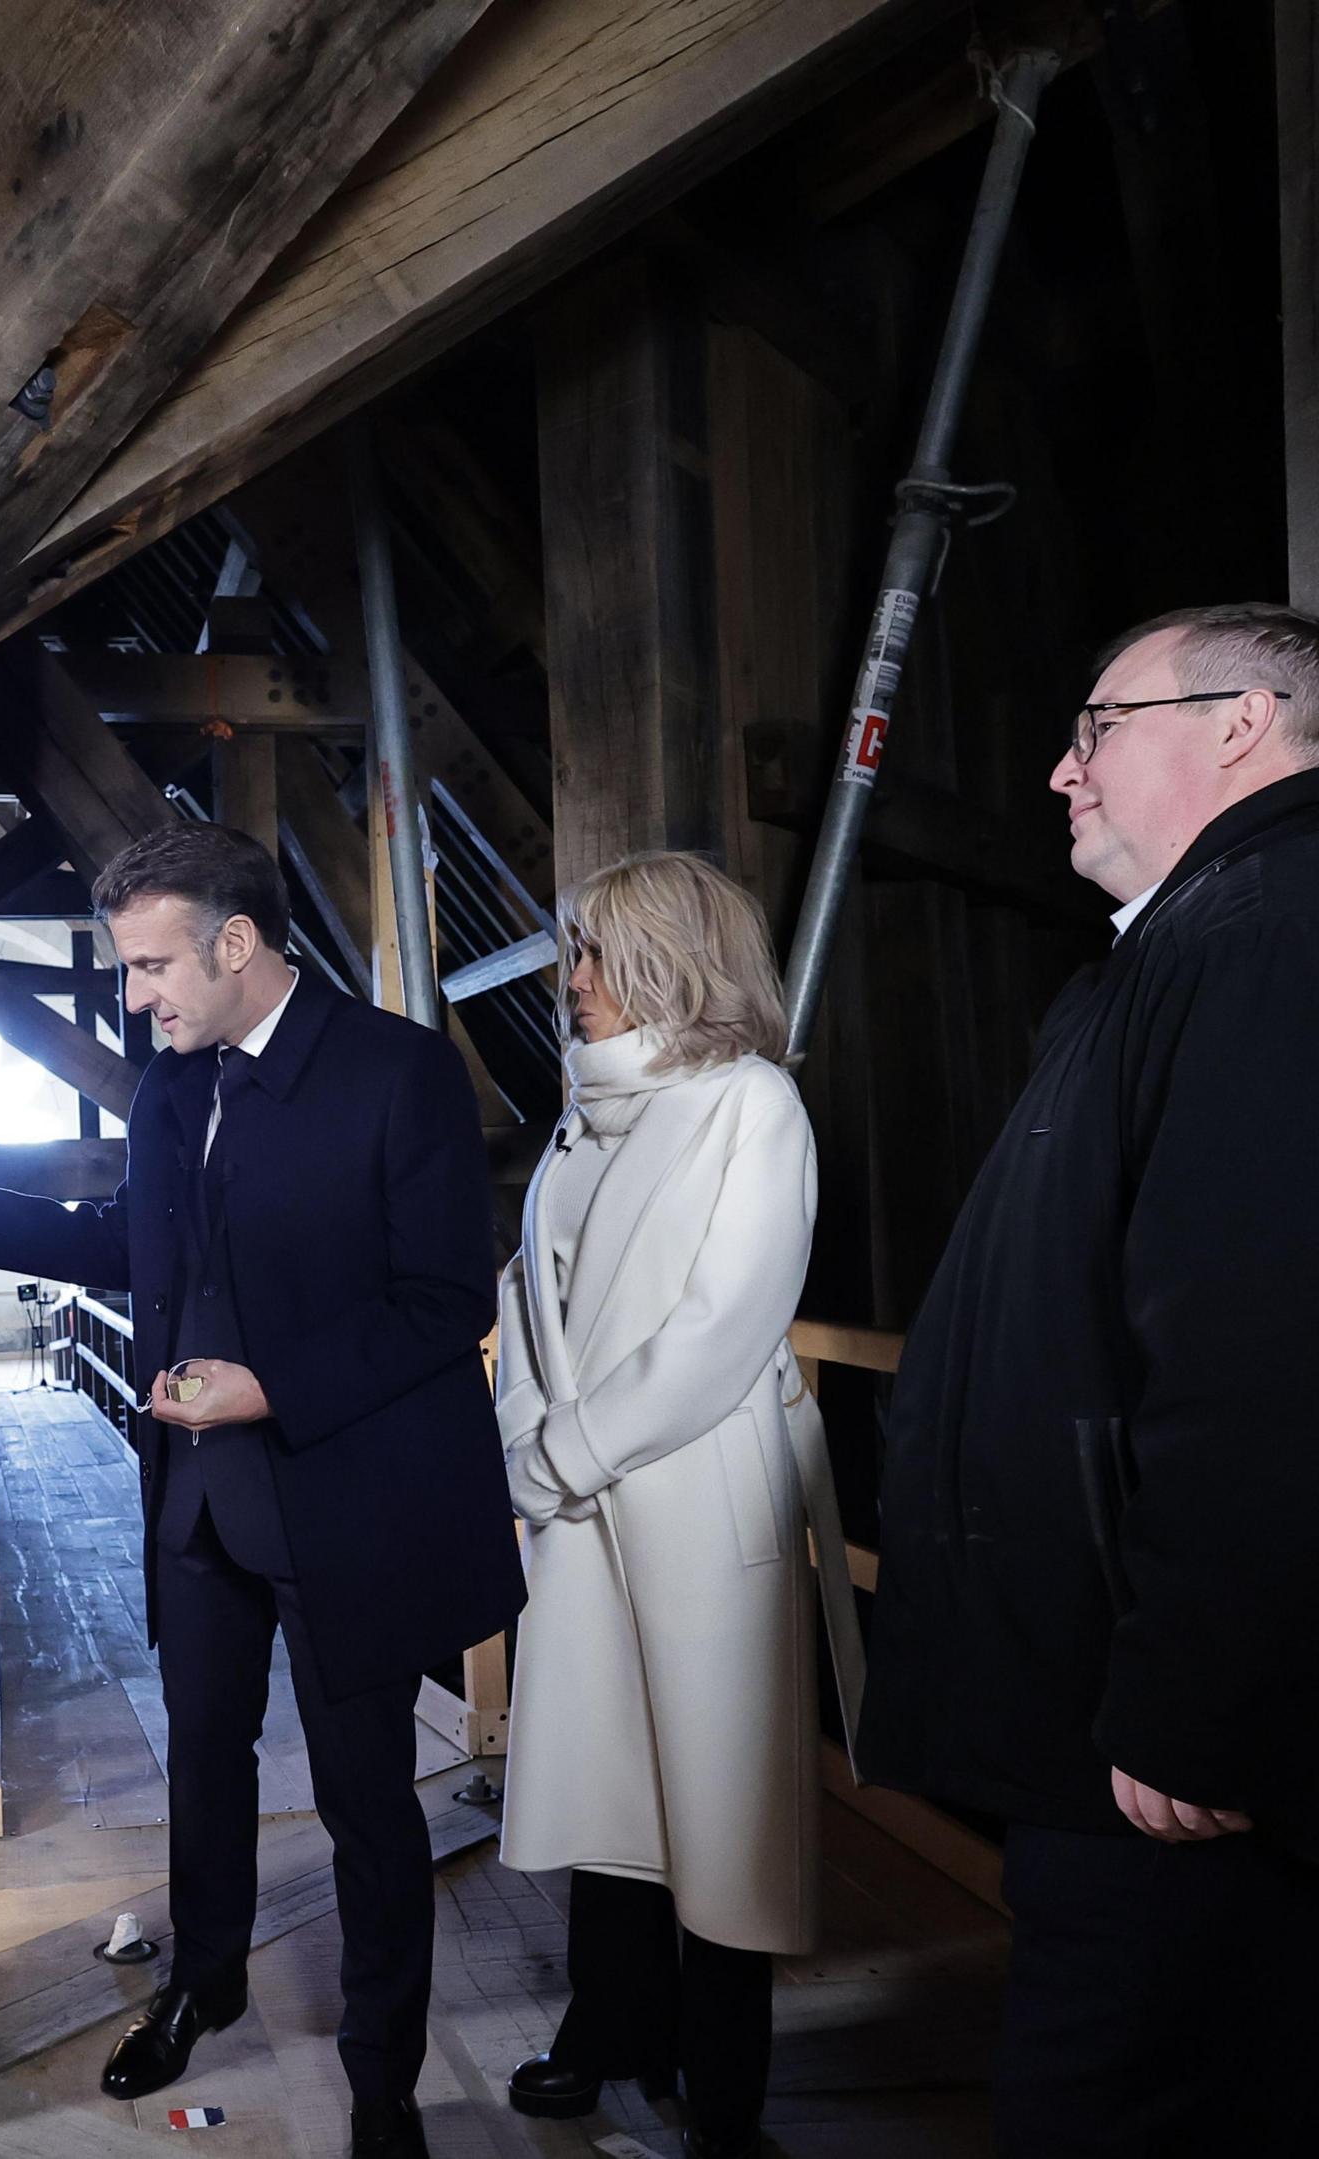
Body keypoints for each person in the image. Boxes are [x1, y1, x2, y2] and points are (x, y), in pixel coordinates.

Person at [853, 603, 1319, 2156]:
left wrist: (1195, 1703)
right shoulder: (1211, 937)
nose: (1059, 771)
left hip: (1195, 1755)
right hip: (1150, 1726)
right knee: (1276, 2096)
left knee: (1146, 2105)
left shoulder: (1282, 939)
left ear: (1241, 725)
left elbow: (1280, 1362)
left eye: (1098, 728)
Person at [0, 822, 521, 2159]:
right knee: (205, 1763)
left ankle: (384, 2079)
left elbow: (442, 1301)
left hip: (341, 1495)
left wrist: (271, 1387)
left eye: (148, 965)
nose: (134, 997)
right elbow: (139, 1250)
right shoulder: (176, 1089)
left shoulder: (398, 1073)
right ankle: (204, 1981)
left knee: (369, 1797)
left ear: (235, 945)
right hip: (197, 1500)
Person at [490, 852, 855, 2159]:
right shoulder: (585, 1111)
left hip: (694, 1495)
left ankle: (728, 2082)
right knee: (609, 1788)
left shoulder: (748, 1103)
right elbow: (524, 1299)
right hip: (586, 1506)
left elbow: (722, 1325)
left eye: (591, 955)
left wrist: (562, 1452)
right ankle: (612, 2028)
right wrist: (529, 1433)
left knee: (722, 1797)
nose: (569, 981)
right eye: (573, 954)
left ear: (664, 962)